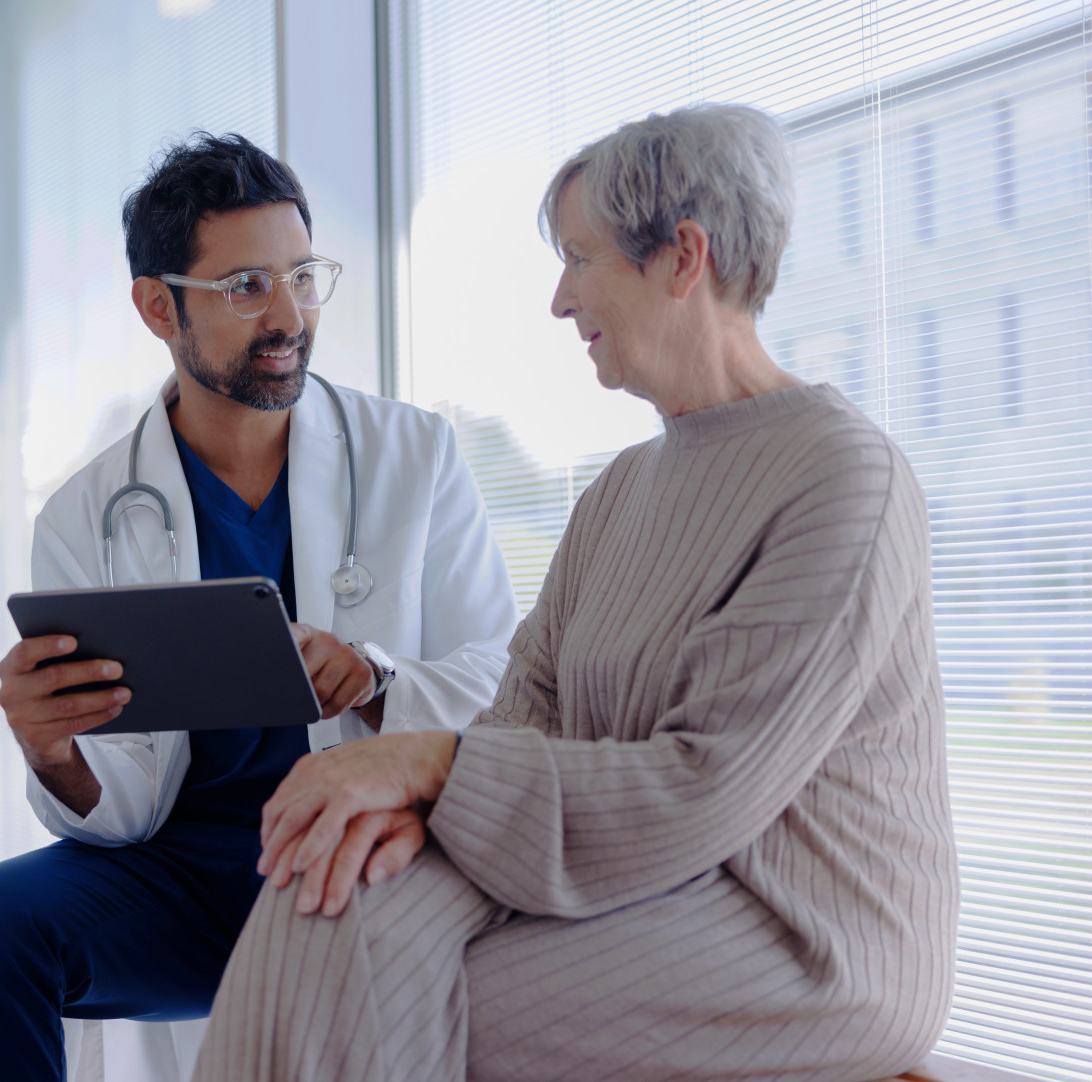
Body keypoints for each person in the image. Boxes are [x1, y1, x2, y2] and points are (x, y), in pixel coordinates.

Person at [192, 105, 960, 1082]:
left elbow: (703, 782)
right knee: (323, 894)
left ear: (682, 258)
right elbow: (525, 714)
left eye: (579, 257)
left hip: (797, 931)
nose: (559, 299)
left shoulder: (843, 477)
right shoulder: (619, 492)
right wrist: (414, 803)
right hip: (627, 875)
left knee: (386, 990)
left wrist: (428, 768)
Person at [0, 133, 518, 1082]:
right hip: (181, 876)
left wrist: (377, 677)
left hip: (359, 847)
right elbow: (116, 810)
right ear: (159, 307)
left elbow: (504, 678)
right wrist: (53, 752)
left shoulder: (416, 457)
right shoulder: (85, 515)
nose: (289, 313)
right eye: (246, 286)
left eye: (303, 275)